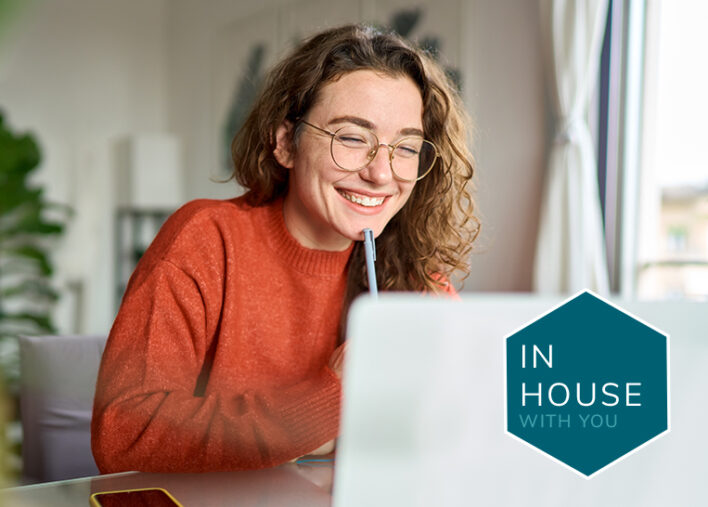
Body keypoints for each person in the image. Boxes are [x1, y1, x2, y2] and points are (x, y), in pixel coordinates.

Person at [91, 24, 478, 474]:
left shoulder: (412, 274)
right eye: (352, 138)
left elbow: (463, 423)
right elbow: (123, 435)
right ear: (284, 143)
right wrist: (330, 398)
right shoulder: (205, 240)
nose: (381, 173)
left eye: (406, 147)